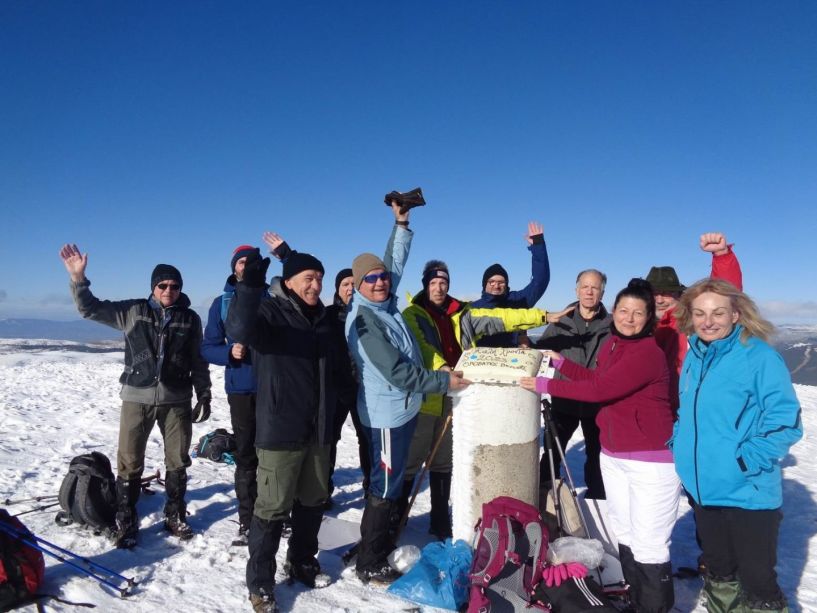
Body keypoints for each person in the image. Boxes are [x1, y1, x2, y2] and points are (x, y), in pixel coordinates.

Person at [521, 279, 680, 613]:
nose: (629, 317)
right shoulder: (615, 345)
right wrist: (562, 363)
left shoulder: (647, 353)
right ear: (616, 312)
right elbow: (597, 380)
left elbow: (599, 393)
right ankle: (637, 602)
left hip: (651, 461)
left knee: (649, 543)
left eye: (638, 312)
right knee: (624, 531)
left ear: (649, 317)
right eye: (624, 310)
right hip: (615, 454)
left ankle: (653, 607)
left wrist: (541, 384)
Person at [402, 260, 572, 539]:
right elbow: (424, 346)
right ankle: (397, 513)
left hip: (457, 396)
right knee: (413, 460)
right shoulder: (414, 314)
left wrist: (543, 317)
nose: (439, 287)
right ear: (425, 285)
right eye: (433, 283)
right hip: (428, 396)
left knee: (444, 461)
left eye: (443, 282)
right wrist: (443, 369)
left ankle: (440, 519)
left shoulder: (463, 313)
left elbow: (503, 318)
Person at [346, 202, 470, 584]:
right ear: (359, 285)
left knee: (393, 479)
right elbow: (398, 373)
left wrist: (401, 223)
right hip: (386, 416)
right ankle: (370, 560)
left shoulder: (382, 302)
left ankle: (382, 540)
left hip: (401, 411)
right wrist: (443, 382)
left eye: (382, 277)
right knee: (384, 485)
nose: (381, 282)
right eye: (372, 279)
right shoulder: (365, 320)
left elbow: (393, 263)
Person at [58, 244, 212, 549]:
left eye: (175, 286)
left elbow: (197, 359)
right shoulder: (132, 311)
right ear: (153, 287)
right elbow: (89, 308)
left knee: (178, 460)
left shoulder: (190, 319)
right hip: (136, 399)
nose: (169, 290)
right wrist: (78, 279)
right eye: (163, 285)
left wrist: (203, 393)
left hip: (176, 400)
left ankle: (175, 514)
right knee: (129, 461)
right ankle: (126, 521)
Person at [671, 279, 802, 613]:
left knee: (758, 583)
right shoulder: (696, 355)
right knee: (720, 572)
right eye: (699, 313)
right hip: (704, 490)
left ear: (736, 314)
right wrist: (679, 441)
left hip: (748, 493)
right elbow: (689, 409)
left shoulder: (757, 355)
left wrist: (746, 460)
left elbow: (785, 419)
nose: (708, 320)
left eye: (718, 312)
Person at [224, 241, 339, 612]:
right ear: (289, 282)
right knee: (272, 508)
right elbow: (239, 326)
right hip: (281, 429)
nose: (316, 286)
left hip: (320, 430)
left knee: (313, 501)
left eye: (319, 279)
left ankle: (302, 560)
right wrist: (249, 285)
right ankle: (260, 581)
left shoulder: (325, 320)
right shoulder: (270, 315)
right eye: (309, 278)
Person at [201, 245, 264, 545]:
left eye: (251, 262)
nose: (246, 266)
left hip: (275, 386)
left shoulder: (274, 296)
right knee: (247, 454)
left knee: (275, 453)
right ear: (234, 268)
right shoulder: (222, 303)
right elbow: (207, 347)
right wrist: (230, 352)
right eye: (241, 262)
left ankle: (276, 513)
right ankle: (248, 519)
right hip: (241, 387)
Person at [535, 269, 611, 500]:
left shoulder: (612, 324)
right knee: (551, 454)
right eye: (585, 286)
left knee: (597, 457)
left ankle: (597, 503)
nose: (589, 291)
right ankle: (546, 500)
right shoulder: (562, 322)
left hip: (597, 404)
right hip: (564, 399)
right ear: (576, 290)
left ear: (602, 292)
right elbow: (541, 350)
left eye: (594, 287)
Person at [646, 232, 742, 411]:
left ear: (678, 295)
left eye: (666, 293)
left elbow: (724, 294)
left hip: (690, 409)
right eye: (654, 293)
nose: (659, 300)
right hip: (653, 411)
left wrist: (722, 256)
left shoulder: (692, 320)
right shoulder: (636, 326)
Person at [325, 267, 370, 505]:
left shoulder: (368, 314)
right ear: (337, 288)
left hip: (363, 388)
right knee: (329, 439)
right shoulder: (328, 315)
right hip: (335, 389)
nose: (350, 288)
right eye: (345, 284)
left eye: (354, 283)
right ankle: (324, 489)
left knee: (367, 439)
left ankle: (370, 487)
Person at [471, 221, 551, 348]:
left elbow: (540, 282)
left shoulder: (518, 301)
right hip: (482, 364)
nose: (496, 286)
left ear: (506, 284)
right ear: (484, 284)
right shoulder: (473, 308)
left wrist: (538, 245)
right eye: (491, 282)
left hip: (514, 363)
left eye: (501, 282)